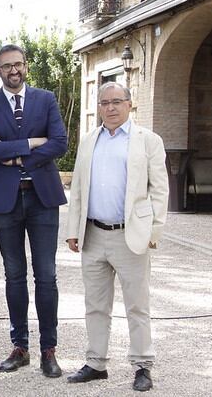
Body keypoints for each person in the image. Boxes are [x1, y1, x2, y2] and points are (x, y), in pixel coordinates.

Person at [65, 82, 168, 392]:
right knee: (95, 305)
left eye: (116, 102)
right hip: (93, 234)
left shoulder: (148, 141)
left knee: (137, 306)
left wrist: (154, 232)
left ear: (129, 104)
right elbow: (79, 190)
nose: (110, 108)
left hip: (130, 236)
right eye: (104, 102)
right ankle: (96, 363)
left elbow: (159, 190)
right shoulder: (88, 141)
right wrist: (73, 231)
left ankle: (142, 366)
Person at [0, 43, 67, 377]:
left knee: (47, 275)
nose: (13, 70)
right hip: (5, 201)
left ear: (26, 66)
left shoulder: (46, 99)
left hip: (42, 199)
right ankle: (20, 347)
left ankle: (48, 350)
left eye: (18, 64)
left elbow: (59, 142)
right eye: (6, 66)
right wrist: (32, 143)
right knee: (14, 275)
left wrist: (11, 154)